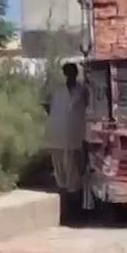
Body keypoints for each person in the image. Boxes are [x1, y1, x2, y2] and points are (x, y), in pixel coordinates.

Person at [44, 62, 87, 199]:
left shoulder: (82, 90)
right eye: (67, 72)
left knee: (73, 163)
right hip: (57, 131)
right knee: (58, 162)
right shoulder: (58, 90)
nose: (70, 75)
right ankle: (63, 190)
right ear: (65, 74)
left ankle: (74, 193)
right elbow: (48, 106)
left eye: (72, 72)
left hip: (75, 132)